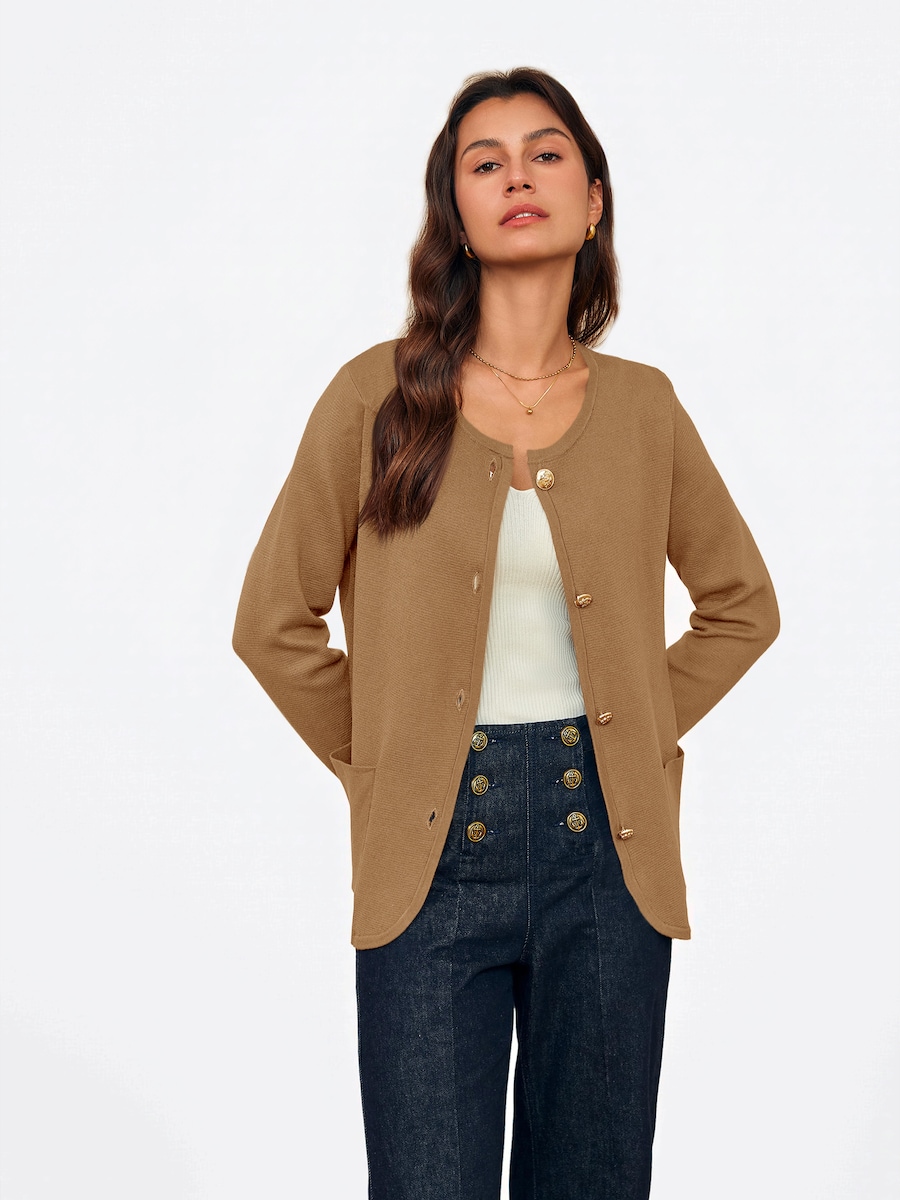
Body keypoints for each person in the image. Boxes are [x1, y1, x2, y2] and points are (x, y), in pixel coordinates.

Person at [232, 66, 780, 1200]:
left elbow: (742, 606)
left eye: (545, 154)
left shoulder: (645, 408)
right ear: (457, 207)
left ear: (593, 198)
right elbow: (273, 621)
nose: (517, 175)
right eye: (486, 161)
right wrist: (390, 759)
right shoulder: (374, 400)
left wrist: (630, 731)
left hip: (608, 857)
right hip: (430, 862)